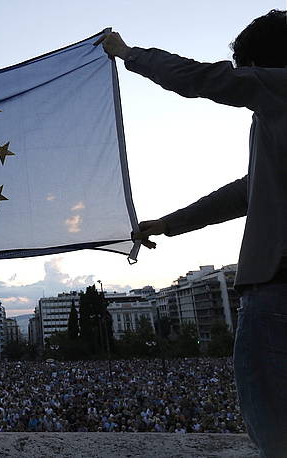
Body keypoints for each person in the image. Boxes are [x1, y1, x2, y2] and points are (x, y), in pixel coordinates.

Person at [96, 10, 287, 457]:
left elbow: (200, 78)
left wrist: (128, 54)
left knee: (276, 432)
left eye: (248, 72)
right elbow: (247, 191)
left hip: (277, 289)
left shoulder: (279, 87)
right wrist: (171, 224)